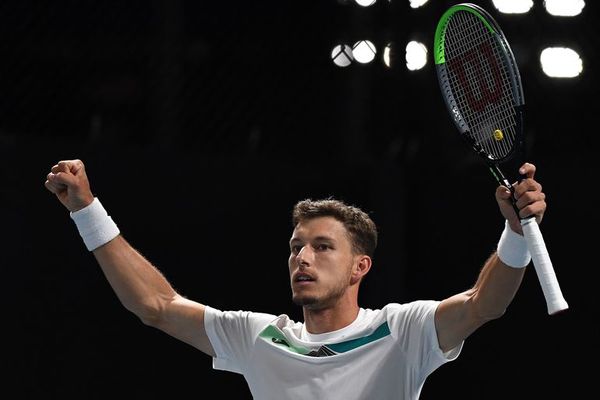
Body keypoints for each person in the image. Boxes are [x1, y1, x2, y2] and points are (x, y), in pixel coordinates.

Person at [44, 158, 546, 400]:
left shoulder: (403, 331)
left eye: (322, 247)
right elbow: (154, 304)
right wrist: (88, 211)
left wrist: (514, 232)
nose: (302, 257)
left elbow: (486, 303)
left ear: (360, 266)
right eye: (296, 247)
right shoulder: (260, 336)